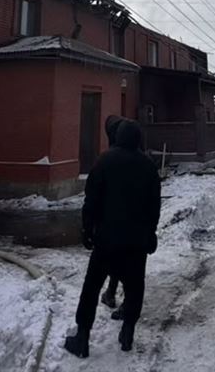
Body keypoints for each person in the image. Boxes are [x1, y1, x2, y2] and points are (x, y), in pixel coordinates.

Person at [65, 120, 161, 357]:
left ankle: (83, 337)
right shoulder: (148, 165)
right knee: (135, 285)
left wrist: (87, 229)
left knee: (91, 286)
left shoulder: (105, 160)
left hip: (107, 238)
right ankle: (128, 331)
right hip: (136, 240)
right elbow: (154, 206)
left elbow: (92, 199)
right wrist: (150, 233)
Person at [99, 115, 124, 312]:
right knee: (131, 264)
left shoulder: (106, 160)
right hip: (135, 225)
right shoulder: (143, 160)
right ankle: (127, 303)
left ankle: (110, 293)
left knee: (113, 260)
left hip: (114, 223)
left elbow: (94, 197)